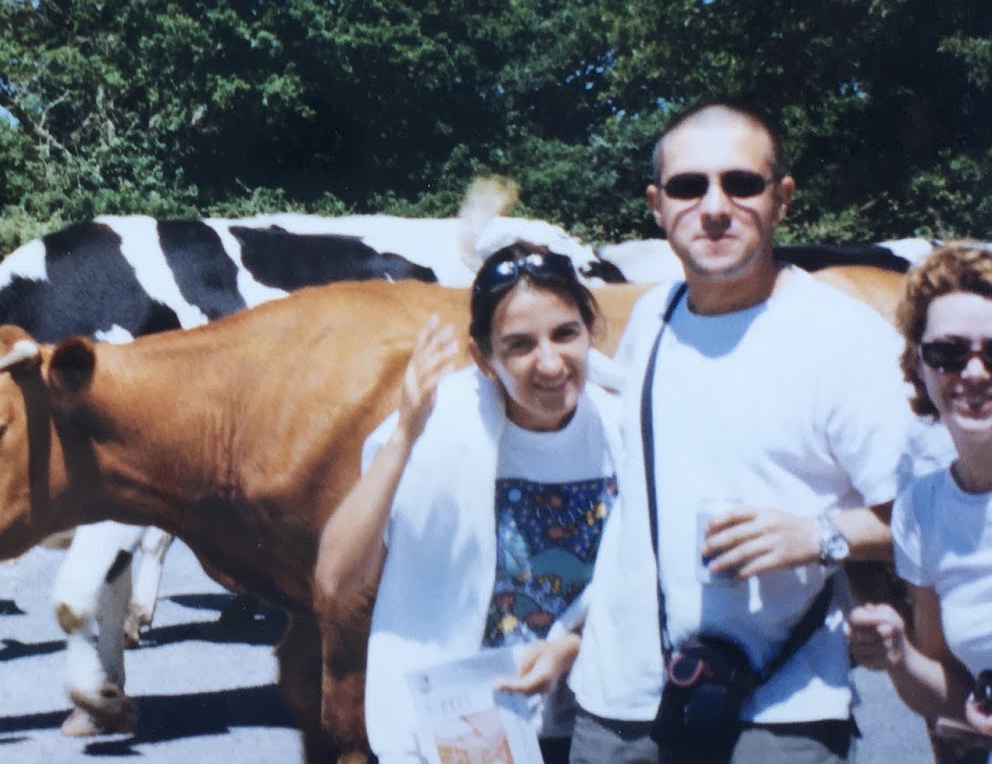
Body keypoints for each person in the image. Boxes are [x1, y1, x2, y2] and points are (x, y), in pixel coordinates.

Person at [567, 100, 917, 763]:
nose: (714, 207)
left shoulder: (845, 340)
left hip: (779, 708)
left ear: (782, 199)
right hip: (619, 703)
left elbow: (934, 513)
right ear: (657, 205)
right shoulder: (652, 318)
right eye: (688, 186)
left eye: (741, 183)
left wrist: (820, 535)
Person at [315, 241, 621, 764]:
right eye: (520, 345)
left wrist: (573, 648)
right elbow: (337, 580)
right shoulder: (439, 429)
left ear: (590, 331)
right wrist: (404, 437)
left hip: (595, 720)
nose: (550, 363)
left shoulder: (626, 431)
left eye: (564, 334)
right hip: (470, 721)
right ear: (484, 359)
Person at [849, 244, 992, 762]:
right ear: (919, 364)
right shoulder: (921, 510)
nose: (974, 372)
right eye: (949, 353)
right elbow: (952, 690)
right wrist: (898, 655)